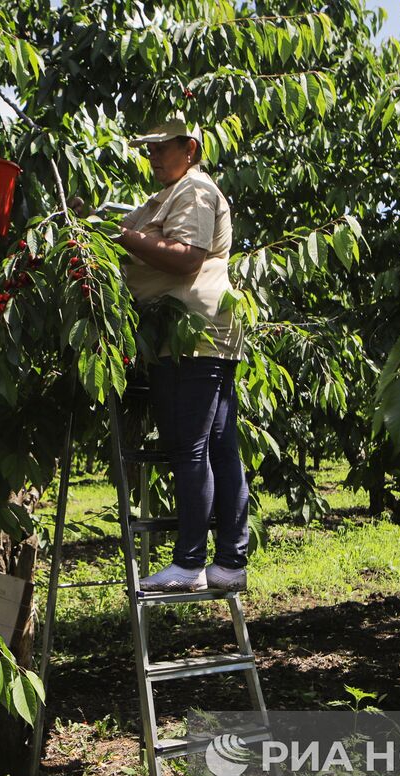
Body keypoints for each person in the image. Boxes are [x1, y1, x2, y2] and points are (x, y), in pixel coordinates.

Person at [116, 118, 249, 593]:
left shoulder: (193, 189)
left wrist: (118, 235)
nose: (151, 156)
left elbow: (186, 255)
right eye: (147, 148)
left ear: (189, 148)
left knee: (190, 447)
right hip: (200, 335)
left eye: (161, 147)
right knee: (218, 447)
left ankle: (190, 562)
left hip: (189, 337)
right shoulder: (173, 192)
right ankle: (230, 561)